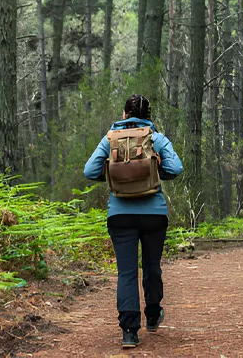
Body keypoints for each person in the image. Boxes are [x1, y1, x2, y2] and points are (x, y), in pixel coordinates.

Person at [83, 94, 183, 348]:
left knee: (126, 273)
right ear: (149, 115)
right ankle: (152, 315)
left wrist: (111, 170)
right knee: (152, 267)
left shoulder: (110, 139)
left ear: (124, 114)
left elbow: (89, 171)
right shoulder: (156, 139)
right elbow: (175, 169)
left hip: (120, 214)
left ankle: (129, 331)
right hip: (154, 214)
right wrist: (156, 167)